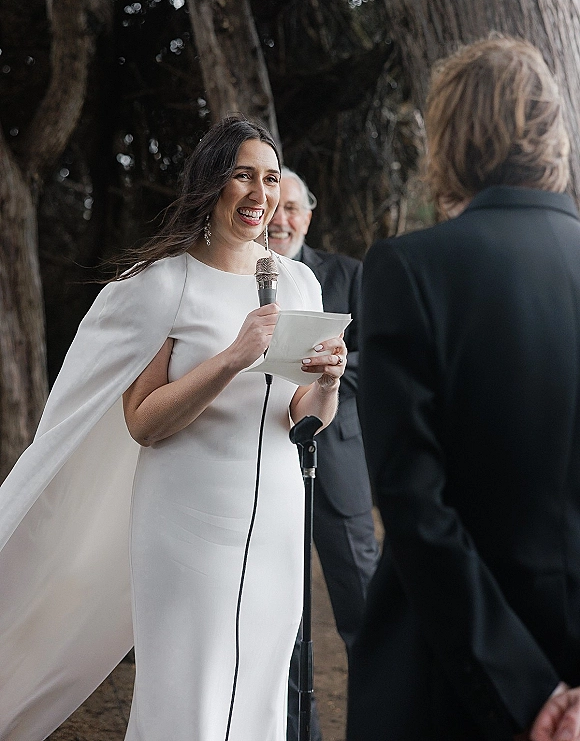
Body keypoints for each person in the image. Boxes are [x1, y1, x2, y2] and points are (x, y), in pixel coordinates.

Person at [0, 115, 348, 741]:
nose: (260, 195)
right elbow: (143, 423)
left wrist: (327, 381)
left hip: (276, 523)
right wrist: (232, 358)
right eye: (243, 175)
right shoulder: (165, 284)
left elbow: (305, 423)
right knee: (189, 694)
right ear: (211, 182)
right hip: (186, 524)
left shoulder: (298, 281)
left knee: (263, 692)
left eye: (270, 179)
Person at [349, 37, 580, 741]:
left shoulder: (408, 270)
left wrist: (528, 692)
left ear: (446, 137)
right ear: (550, 131)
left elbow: (416, 506)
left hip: (449, 681)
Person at [268, 169, 379, 740]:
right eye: (273, 207)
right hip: (263, 470)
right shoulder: (247, 279)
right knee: (284, 627)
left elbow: (381, 358)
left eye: (293, 207)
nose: (281, 218)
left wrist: (330, 366)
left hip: (340, 469)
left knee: (368, 618)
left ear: (309, 214)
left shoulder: (349, 275)